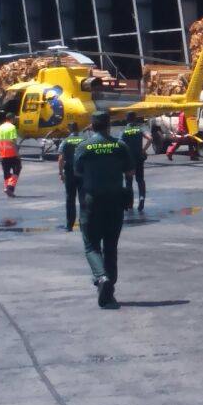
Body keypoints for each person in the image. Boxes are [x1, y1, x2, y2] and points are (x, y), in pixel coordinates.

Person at [73, 111, 133, 309]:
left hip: (92, 201)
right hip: (115, 201)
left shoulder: (84, 146)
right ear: (109, 125)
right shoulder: (119, 145)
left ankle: (102, 277)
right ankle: (109, 290)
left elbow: (77, 171)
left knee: (91, 245)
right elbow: (130, 171)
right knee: (111, 246)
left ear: (92, 126)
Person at [119, 112, 149, 213]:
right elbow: (150, 139)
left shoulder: (124, 131)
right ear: (135, 119)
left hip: (128, 159)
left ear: (126, 120)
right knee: (140, 180)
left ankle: (129, 203)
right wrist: (143, 150)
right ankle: (141, 198)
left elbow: (120, 144)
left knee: (128, 181)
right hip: (139, 157)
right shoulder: (139, 129)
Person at [56, 127, 84, 232]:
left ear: (69, 130)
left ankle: (69, 224)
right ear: (78, 130)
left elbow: (61, 158)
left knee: (70, 199)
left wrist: (60, 172)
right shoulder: (84, 140)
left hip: (69, 173)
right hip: (82, 173)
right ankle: (83, 223)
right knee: (83, 199)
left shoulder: (65, 141)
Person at [0, 112, 22, 197]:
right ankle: (10, 187)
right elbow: (13, 141)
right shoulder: (12, 127)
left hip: (3, 153)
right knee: (17, 169)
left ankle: (7, 188)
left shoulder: (1, 127)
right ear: (12, 119)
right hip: (12, 153)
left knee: (6, 172)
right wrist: (17, 153)